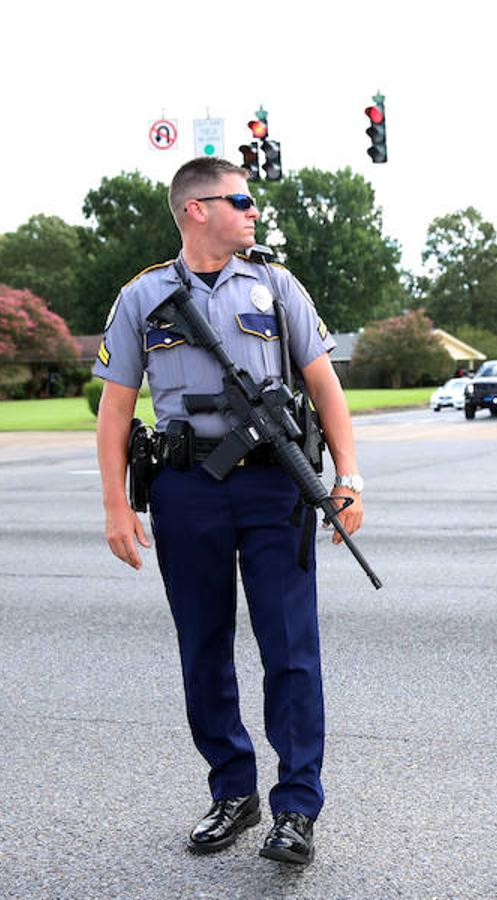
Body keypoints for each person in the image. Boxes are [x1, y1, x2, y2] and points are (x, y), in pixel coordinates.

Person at [93, 157, 365, 866]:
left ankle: (296, 808)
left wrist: (350, 476)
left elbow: (323, 383)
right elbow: (116, 407)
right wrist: (116, 506)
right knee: (203, 647)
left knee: (290, 649)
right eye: (239, 200)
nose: (252, 211)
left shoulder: (275, 285)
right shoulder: (142, 297)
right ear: (196, 210)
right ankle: (232, 793)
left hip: (276, 484)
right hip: (186, 487)